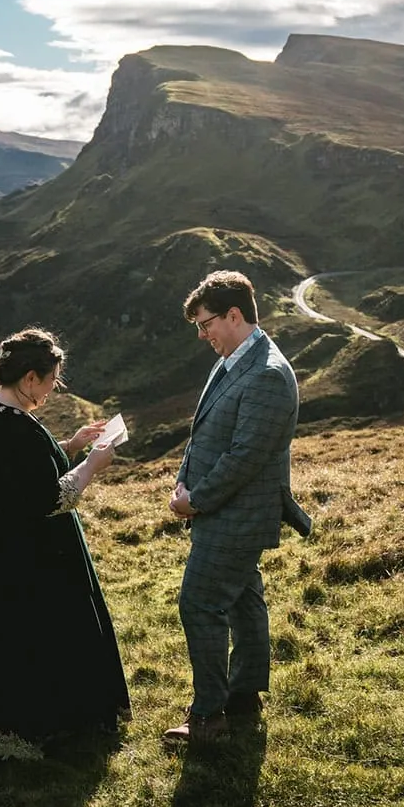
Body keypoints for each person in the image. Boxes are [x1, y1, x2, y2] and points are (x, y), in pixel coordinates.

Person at [0, 327, 131, 752]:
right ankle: (50, 718)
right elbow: (51, 497)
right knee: (40, 626)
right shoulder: (15, 426)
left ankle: (10, 710)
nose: (55, 388)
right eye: (52, 379)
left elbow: (18, 471)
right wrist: (92, 464)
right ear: (30, 378)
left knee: (7, 628)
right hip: (27, 547)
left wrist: (70, 445)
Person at [166, 271, 309, 745]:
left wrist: (195, 501)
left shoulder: (267, 374)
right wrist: (186, 476)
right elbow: (208, 429)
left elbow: (245, 456)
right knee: (244, 600)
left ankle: (208, 718)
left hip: (237, 514)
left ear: (234, 315)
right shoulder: (233, 358)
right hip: (220, 508)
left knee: (200, 603)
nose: (202, 335)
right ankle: (245, 695)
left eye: (205, 324)